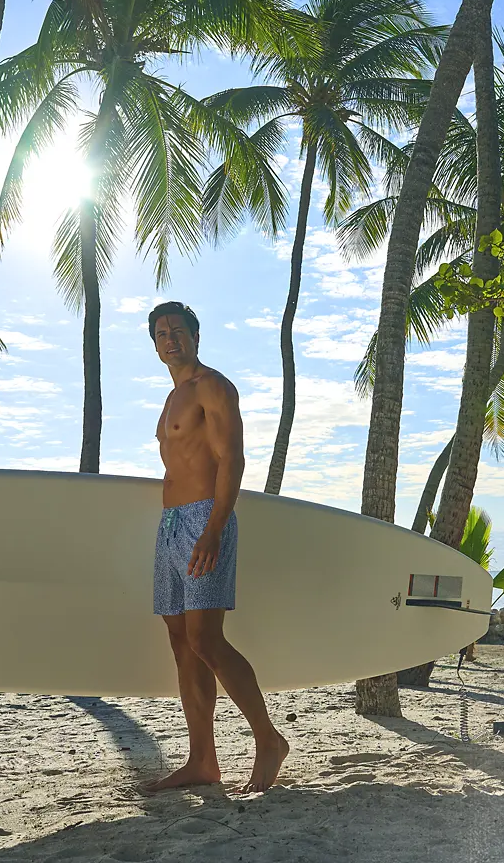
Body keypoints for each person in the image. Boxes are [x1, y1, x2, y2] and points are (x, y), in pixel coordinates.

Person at [146, 300, 289, 794]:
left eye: (179, 330)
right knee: (182, 645)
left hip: (205, 520)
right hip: (169, 525)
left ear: (195, 335)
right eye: (162, 332)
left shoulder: (213, 386)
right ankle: (203, 761)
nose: (171, 338)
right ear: (155, 344)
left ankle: (268, 740)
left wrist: (213, 528)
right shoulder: (170, 400)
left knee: (206, 639)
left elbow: (233, 460)